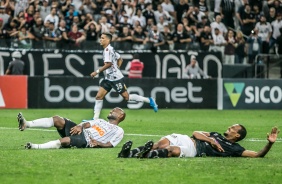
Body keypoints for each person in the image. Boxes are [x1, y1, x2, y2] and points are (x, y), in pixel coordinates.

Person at [90, 32, 158, 119]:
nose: (101, 39)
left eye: (103, 38)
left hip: (115, 79)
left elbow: (109, 64)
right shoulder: (111, 49)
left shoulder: (107, 50)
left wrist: (96, 72)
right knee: (99, 96)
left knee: (127, 97)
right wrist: (117, 68)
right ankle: (95, 119)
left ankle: (149, 100)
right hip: (108, 78)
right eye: (101, 38)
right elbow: (120, 59)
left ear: (108, 40)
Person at [118, 124, 280, 159]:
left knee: (172, 150)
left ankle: (145, 155)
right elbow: (195, 132)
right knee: (161, 143)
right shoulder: (216, 134)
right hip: (188, 139)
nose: (229, 128)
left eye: (232, 128)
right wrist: (212, 140)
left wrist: (270, 143)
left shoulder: (234, 148)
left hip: (195, 150)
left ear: (237, 135)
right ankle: (127, 153)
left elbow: (257, 155)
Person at [17, 107, 126, 149]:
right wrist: (79, 126)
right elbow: (88, 124)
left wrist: (98, 143)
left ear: (120, 116)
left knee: (65, 141)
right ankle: (27, 124)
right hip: (80, 131)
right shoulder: (101, 121)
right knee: (57, 119)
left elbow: (110, 144)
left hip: (86, 140)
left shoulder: (119, 131)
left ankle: (35, 146)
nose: (111, 111)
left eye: (114, 110)